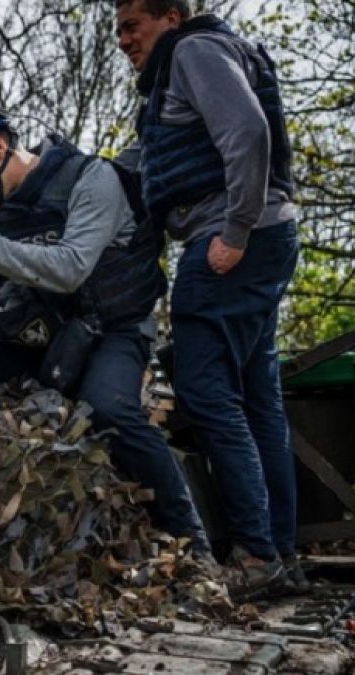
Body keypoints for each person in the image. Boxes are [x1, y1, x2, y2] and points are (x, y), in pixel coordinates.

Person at [0, 102, 211, 558]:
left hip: (114, 332)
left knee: (109, 409)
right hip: (44, 337)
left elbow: (69, 268)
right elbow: (6, 275)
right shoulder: (1, 210)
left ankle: (191, 539)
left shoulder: (91, 180)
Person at [114, 0, 301, 597]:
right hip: (263, 236)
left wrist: (235, 232)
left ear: (170, 16)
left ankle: (253, 554)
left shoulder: (194, 49)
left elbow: (248, 131)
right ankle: (278, 551)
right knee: (256, 400)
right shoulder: (199, 57)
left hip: (229, 238)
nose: (122, 40)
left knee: (207, 392)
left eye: (131, 26)